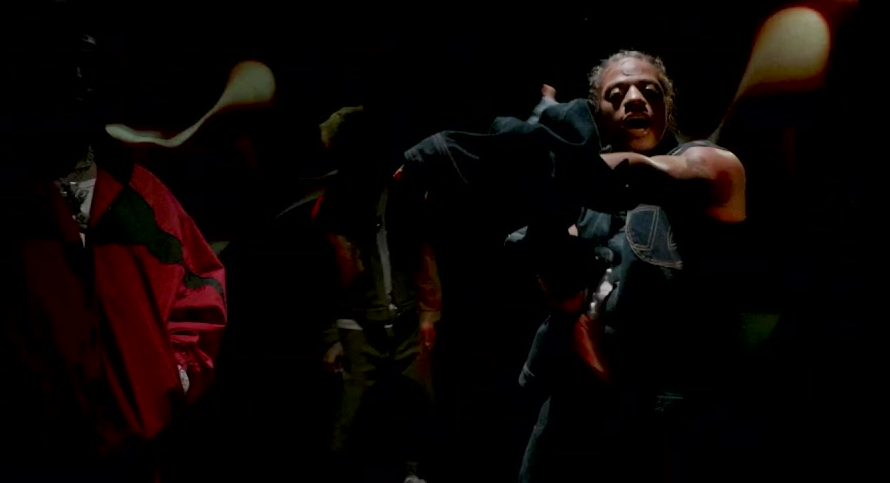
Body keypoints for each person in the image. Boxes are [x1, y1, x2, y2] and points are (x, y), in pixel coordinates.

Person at [0, 0, 227, 482]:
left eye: (83, 58)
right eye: (51, 58)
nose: (75, 77)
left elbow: (200, 288)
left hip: (134, 464)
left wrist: (170, 380)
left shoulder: (140, 192)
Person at [395, 51, 746, 482]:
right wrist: (548, 238)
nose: (634, 98)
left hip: (672, 408)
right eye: (616, 94)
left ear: (667, 104)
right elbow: (566, 298)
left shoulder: (712, 165)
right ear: (598, 114)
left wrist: (477, 153)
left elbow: (632, 174)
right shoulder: (573, 194)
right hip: (578, 401)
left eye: (649, 91)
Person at [314, 106, 441, 483]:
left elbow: (423, 257)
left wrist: (428, 312)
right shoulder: (333, 204)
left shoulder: (403, 196)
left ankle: (416, 472)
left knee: (420, 402)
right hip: (357, 323)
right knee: (348, 415)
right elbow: (325, 278)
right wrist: (331, 338)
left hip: (405, 320)